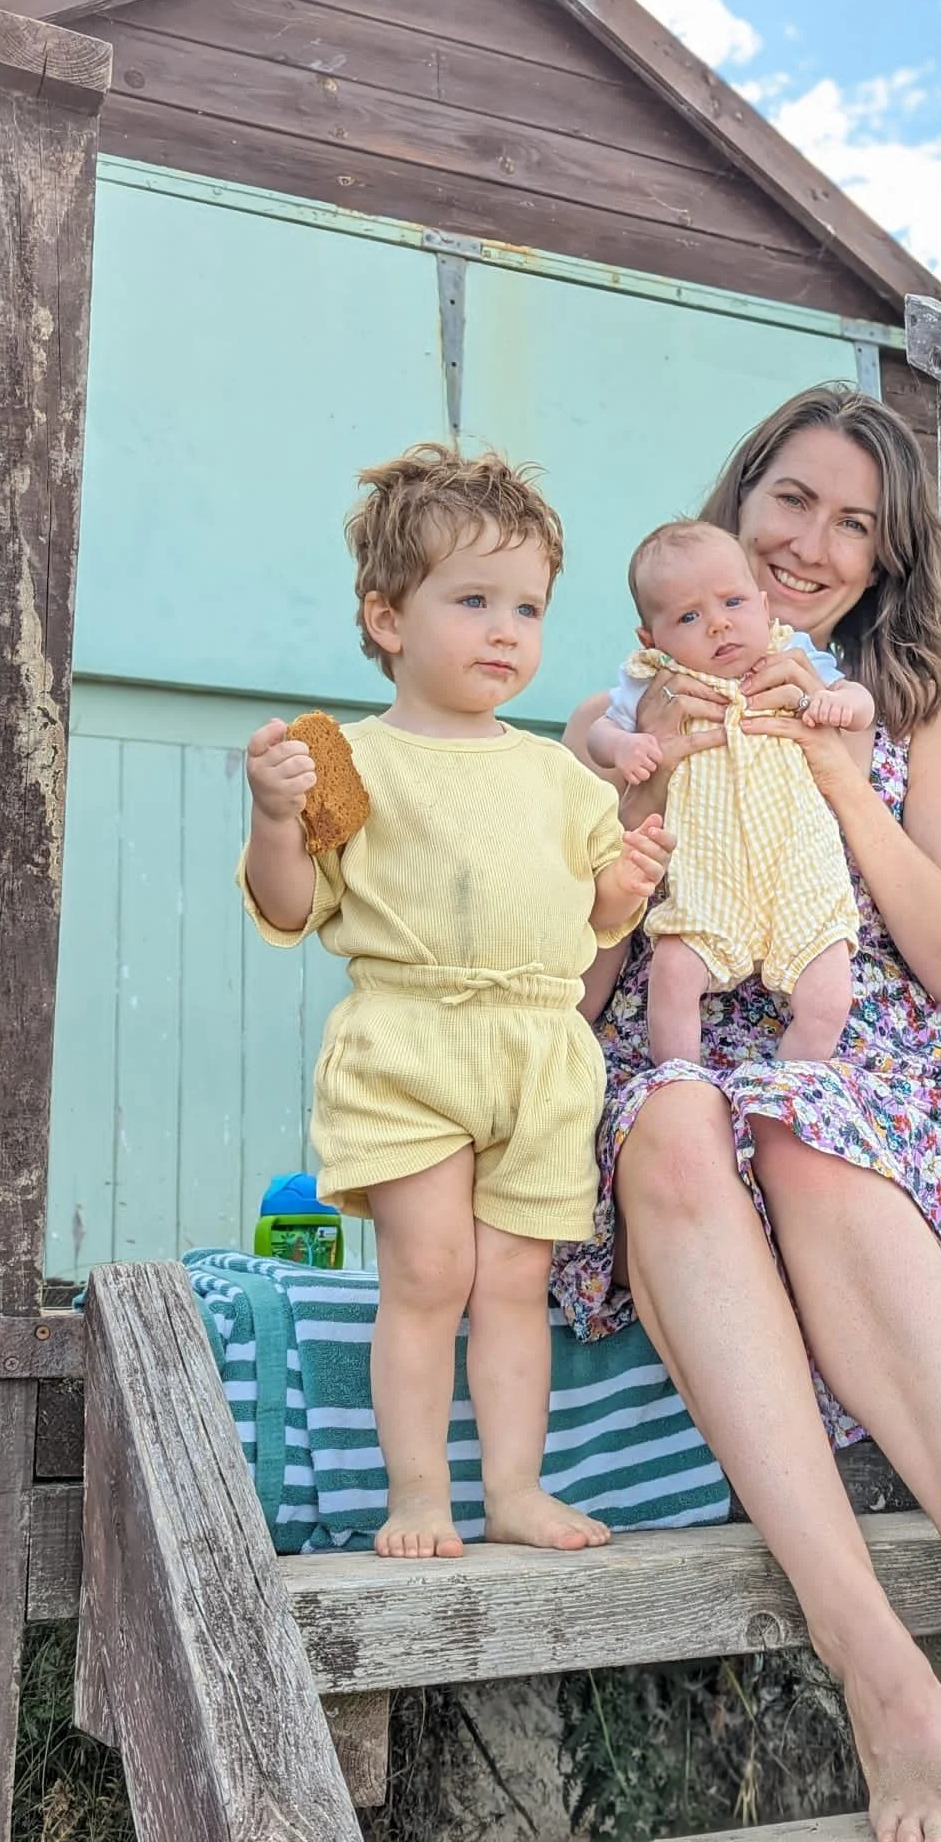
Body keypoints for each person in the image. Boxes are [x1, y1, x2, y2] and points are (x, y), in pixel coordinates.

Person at [557, 386, 941, 1842]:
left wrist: (843, 785)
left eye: (855, 523)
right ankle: (875, 1663)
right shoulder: (629, 701)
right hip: (683, 1039)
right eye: (792, 500)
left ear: (885, 559)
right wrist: (632, 804)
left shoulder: (911, 708)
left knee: (802, 1123)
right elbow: (569, 979)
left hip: (871, 1057)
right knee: (673, 1123)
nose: (812, 543)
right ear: (740, 504)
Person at [240, 443, 671, 1563]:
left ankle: (516, 1491)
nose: (503, 630)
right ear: (386, 618)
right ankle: (420, 1492)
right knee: (429, 1274)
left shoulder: (563, 780)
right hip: (410, 1040)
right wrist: (274, 821)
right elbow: (290, 909)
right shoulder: (350, 762)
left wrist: (621, 887)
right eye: (471, 599)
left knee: (516, 1281)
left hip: (537, 1053)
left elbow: (591, 930)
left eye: (525, 607)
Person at [587, 519, 874, 1065]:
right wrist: (625, 749)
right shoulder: (654, 683)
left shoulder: (793, 657)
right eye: (689, 617)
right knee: (672, 974)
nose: (719, 626)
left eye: (733, 602)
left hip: (799, 871)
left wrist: (844, 707)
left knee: (830, 995)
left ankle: (791, 1083)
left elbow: (857, 700)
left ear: (765, 609)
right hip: (708, 875)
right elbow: (603, 731)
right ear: (652, 640)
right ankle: (679, 1077)